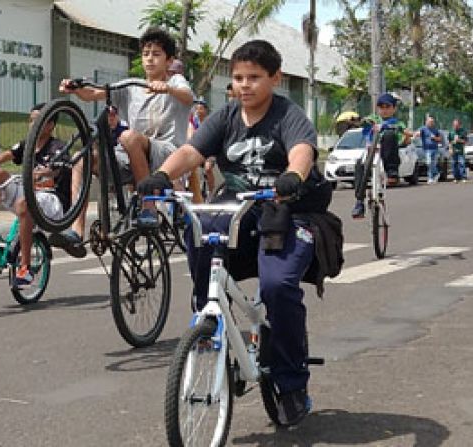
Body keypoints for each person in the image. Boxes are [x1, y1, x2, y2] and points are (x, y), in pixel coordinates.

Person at [137, 39, 337, 426]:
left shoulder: (288, 115)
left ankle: (292, 382)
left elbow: (301, 151)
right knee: (201, 223)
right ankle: (209, 316)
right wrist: (161, 175)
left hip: (286, 211)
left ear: (275, 78)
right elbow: (192, 152)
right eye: (239, 78)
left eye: (255, 78)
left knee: (278, 287)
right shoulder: (226, 116)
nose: (245, 86)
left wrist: (293, 176)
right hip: (239, 209)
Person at [54, 26, 194, 256]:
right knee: (82, 160)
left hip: (167, 156)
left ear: (169, 61)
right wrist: (75, 89)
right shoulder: (131, 86)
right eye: (146, 53)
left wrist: (167, 88)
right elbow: (94, 94)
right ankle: (76, 232)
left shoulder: (177, 81)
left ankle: (148, 208)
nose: (150, 58)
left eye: (156, 54)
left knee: (128, 136)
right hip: (132, 155)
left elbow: (188, 96)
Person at [0, 103, 74, 286]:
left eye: (38, 120)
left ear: (50, 125)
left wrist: (44, 173)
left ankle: (25, 268)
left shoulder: (57, 147)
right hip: (29, 192)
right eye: (31, 120)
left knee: (24, 203)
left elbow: (57, 171)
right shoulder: (26, 144)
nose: (32, 125)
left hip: (52, 200)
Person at [350, 93, 412, 219]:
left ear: (394, 109)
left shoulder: (397, 123)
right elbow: (364, 122)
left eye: (387, 107)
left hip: (388, 152)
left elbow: (405, 132)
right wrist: (358, 121)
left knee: (389, 135)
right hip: (372, 151)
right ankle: (359, 203)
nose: (384, 110)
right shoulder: (373, 119)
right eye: (381, 107)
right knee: (359, 165)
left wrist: (405, 133)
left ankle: (392, 173)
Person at [415, 115, 443, 184]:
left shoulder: (435, 130)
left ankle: (431, 177)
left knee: (432, 164)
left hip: (435, 149)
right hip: (427, 149)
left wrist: (435, 138)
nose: (431, 123)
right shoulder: (423, 129)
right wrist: (416, 134)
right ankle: (434, 174)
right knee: (429, 163)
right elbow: (418, 133)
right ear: (426, 122)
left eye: (432, 122)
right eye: (430, 121)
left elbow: (440, 139)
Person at [448, 118, 468, 183]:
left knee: (462, 163)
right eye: (454, 125)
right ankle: (456, 178)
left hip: (460, 151)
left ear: (459, 125)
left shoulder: (463, 131)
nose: (455, 126)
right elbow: (450, 142)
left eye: (456, 125)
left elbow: (466, 141)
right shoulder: (451, 132)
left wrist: (459, 140)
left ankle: (463, 177)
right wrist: (450, 149)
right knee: (454, 164)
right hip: (454, 150)